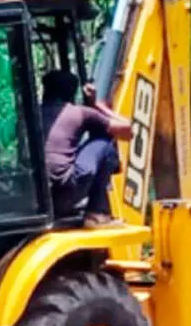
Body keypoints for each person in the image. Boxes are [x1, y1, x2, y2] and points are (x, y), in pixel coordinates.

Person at [41, 69, 132, 226]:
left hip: (38, 200)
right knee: (104, 142)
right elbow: (127, 130)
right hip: (66, 195)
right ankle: (96, 213)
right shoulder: (80, 113)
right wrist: (96, 105)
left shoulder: (30, 114)